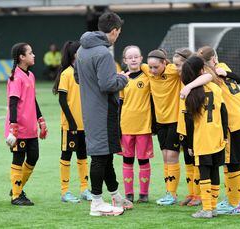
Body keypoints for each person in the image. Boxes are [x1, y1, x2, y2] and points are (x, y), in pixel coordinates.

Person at [76, 11, 132, 217]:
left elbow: (78, 77)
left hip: (90, 109)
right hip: (103, 110)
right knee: (100, 157)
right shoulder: (103, 53)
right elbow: (107, 84)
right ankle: (97, 203)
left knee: (105, 155)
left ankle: (115, 195)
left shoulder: (82, 49)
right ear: (115, 31)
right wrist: (122, 79)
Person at [196, 46, 240, 215]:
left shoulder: (211, 75)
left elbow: (206, 78)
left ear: (212, 60)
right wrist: (224, 72)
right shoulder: (223, 66)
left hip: (233, 122)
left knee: (231, 163)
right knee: (239, 163)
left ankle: (233, 205)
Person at [181, 56, 228, 218]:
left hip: (201, 140)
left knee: (204, 174)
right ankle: (213, 208)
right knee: (215, 171)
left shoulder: (190, 93)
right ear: (201, 70)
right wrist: (225, 135)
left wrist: (190, 145)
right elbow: (223, 112)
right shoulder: (215, 88)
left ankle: (206, 209)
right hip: (217, 136)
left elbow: (189, 123)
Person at [5, 42, 48, 206]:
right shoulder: (16, 77)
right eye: (30, 53)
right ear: (21, 57)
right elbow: (13, 103)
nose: (34, 55)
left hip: (30, 127)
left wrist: (41, 120)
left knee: (34, 156)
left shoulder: (30, 75)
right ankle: (16, 196)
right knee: (18, 158)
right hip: (19, 128)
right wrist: (13, 127)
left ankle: (17, 186)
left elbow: (33, 100)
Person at [52, 41, 92, 203]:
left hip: (85, 125)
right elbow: (62, 101)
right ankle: (65, 192)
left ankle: (84, 189)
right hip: (70, 126)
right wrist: (72, 123)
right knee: (66, 156)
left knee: (83, 157)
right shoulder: (66, 74)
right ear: (75, 54)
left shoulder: (85, 72)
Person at [141, 49, 181, 206]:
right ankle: (169, 192)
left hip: (175, 120)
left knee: (172, 156)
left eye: (155, 67)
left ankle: (172, 194)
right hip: (160, 122)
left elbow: (189, 66)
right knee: (165, 156)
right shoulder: (147, 70)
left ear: (165, 63)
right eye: (150, 67)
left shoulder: (173, 70)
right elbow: (138, 65)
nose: (152, 70)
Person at [119, 45, 154, 203]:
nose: (133, 59)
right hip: (126, 126)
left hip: (143, 126)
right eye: (130, 57)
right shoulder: (122, 79)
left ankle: (144, 194)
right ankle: (128, 194)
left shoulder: (148, 77)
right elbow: (119, 104)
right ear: (125, 60)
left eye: (136, 56)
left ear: (141, 59)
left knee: (143, 160)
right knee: (127, 160)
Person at [173, 48, 202, 206]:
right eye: (175, 65)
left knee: (197, 162)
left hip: (195, 127)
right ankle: (191, 193)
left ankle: (199, 195)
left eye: (179, 65)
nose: (176, 68)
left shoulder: (197, 81)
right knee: (188, 162)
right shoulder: (179, 78)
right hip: (183, 126)